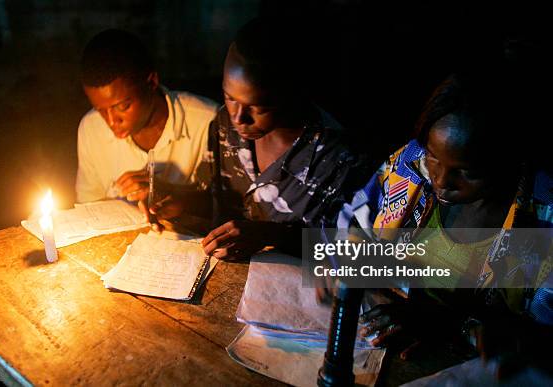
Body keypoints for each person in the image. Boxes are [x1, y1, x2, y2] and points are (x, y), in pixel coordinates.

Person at [342, 72, 552, 377]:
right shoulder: (410, 166)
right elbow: (354, 229)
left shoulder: (542, 221)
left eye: (468, 171)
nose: (440, 181)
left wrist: (449, 323)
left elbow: (538, 339)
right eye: (434, 157)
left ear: (510, 159)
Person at [149, 18, 367, 259]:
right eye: (229, 97)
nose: (238, 117)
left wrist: (272, 235)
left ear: (291, 95)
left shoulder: (339, 160)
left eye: (258, 106)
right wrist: (179, 203)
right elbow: (212, 199)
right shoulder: (223, 125)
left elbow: (372, 257)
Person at [76, 29, 219, 225]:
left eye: (123, 107)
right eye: (100, 109)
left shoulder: (207, 123)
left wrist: (171, 194)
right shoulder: (91, 128)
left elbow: (232, 210)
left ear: (151, 81)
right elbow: (88, 206)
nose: (111, 121)